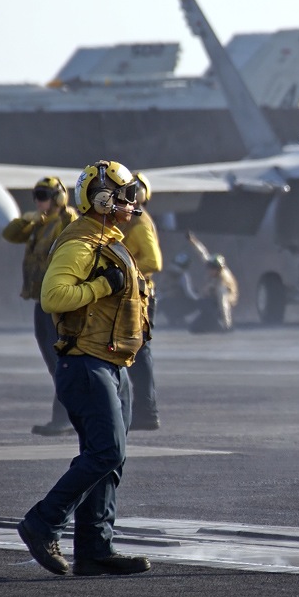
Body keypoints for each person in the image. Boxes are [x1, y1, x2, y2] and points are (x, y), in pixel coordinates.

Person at [17, 159, 152, 577]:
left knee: (111, 457)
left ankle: (94, 550)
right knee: (106, 451)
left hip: (112, 363)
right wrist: (102, 285)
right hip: (86, 363)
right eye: (126, 196)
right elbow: (53, 295)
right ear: (105, 199)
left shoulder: (108, 238)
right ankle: (42, 523)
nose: (133, 203)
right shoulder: (81, 243)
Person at [1, 176, 80, 436]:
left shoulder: (68, 222)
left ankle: (64, 417)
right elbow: (10, 234)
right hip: (40, 300)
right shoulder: (39, 223)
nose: (39, 200)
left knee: (60, 361)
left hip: (58, 301)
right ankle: (69, 413)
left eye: (44, 195)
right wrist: (29, 218)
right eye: (37, 195)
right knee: (52, 361)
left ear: (58, 196)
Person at [119, 172, 163, 429]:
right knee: (135, 353)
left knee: (140, 352)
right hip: (132, 294)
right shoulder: (129, 221)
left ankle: (147, 411)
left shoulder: (139, 223)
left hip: (141, 295)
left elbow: (154, 262)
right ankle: (143, 411)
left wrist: (125, 270)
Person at [186, 231, 239, 333]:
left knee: (205, 305)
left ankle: (219, 326)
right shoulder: (213, 268)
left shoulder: (222, 281)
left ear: (218, 269)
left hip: (219, 307)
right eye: (209, 267)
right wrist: (192, 241)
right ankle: (210, 323)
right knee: (194, 328)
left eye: (212, 268)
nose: (209, 270)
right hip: (213, 303)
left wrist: (227, 324)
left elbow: (224, 304)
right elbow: (203, 253)